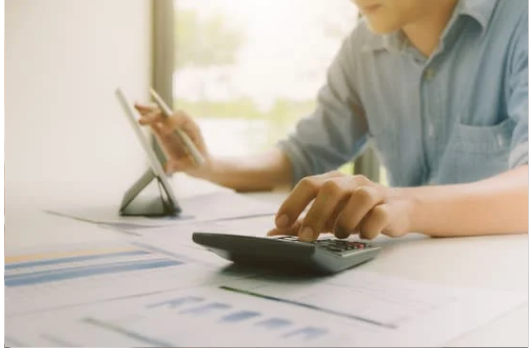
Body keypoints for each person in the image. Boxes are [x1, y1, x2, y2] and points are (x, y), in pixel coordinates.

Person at [136, 0, 528, 242]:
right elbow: (303, 156)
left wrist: (403, 204)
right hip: (410, 275)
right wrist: (210, 166)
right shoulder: (362, 47)